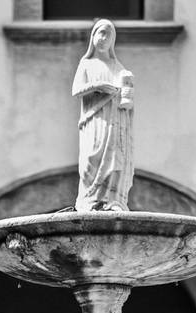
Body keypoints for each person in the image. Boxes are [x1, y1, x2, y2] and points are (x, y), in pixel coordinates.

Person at [72, 19, 134, 212]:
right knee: (91, 158)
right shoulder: (86, 64)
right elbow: (76, 90)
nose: (103, 38)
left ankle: (113, 200)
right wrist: (97, 86)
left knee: (115, 158)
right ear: (93, 37)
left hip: (115, 121)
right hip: (94, 120)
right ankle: (90, 200)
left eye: (108, 34)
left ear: (113, 39)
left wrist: (127, 95)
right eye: (100, 33)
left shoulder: (118, 67)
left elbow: (127, 93)